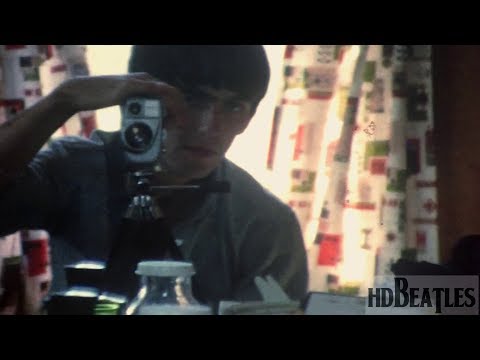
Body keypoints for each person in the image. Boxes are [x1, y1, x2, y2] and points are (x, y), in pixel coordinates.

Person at [0, 45, 308, 309]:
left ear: (249, 118)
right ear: (139, 97)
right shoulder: (77, 169)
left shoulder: (265, 224)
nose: (206, 127)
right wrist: (63, 100)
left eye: (233, 107)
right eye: (191, 99)